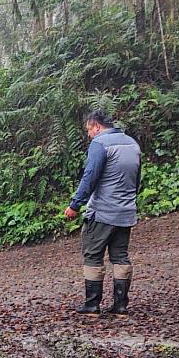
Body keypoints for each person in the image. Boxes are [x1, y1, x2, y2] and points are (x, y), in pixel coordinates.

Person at [64, 110, 141, 316]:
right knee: (120, 257)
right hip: (126, 212)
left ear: (97, 126)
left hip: (102, 212)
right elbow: (137, 180)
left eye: (89, 130)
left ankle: (92, 305)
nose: (89, 135)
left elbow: (89, 178)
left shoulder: (100, 145)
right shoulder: (132, 144)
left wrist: (75, 205)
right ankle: (121, 305)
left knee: (93, 255)